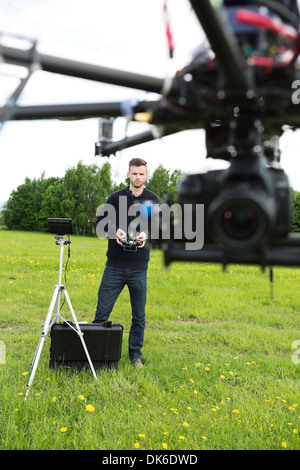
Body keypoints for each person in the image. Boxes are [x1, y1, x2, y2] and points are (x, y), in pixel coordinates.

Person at [93, 158, 160, 367]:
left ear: (146, 175)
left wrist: (145, 235)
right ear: (128, 174)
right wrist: (116, 232)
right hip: (114, 266)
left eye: (141, 173)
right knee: (101, 313)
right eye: (134, 173)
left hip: (139, 268)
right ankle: (95, 354)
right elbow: (100, 225)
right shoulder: (115, 198)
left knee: (139, 316)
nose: (137, 177)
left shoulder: (152, 199)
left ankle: (135, 355)